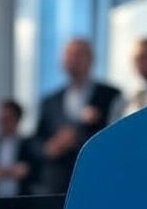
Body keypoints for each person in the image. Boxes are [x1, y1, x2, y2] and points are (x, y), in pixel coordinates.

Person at [34, 38, 120, 195]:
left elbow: (118, 136)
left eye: (78, 54)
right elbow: (37, 140)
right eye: (68, 55)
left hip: (96, 178)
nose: (72, 60)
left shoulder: (110, 95)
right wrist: (51, 147)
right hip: (57, 185)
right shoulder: (50, 101)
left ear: (91, 59)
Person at [0, 99, 37, 198]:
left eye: (7, 119)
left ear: (17, 119)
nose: (3, 123)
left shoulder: (30, 147)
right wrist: (12, 171)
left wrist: (4, 172)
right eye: (0, 119)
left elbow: (32, 172)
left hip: (23, 200)